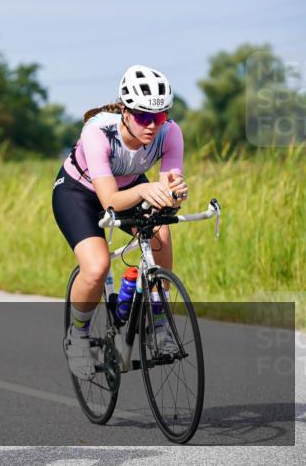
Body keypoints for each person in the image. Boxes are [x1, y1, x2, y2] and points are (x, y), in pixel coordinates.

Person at [53, 65, 187, 380]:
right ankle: (78, 335)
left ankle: (159, 322)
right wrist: (144, 190)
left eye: (160, 116)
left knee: (161, 232)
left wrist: (176, 194)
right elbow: (109, 200)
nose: (152, 125)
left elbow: (168, 189)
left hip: (129, 187)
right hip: (80, 194)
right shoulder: (97, 133)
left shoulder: (170, 133)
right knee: (97, 267)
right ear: (125, 112)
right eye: (142, 116)